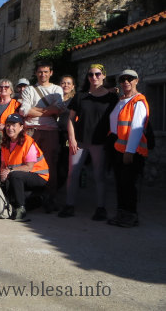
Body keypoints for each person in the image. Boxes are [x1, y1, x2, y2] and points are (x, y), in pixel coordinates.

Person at [59, 65, 118, 220]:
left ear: (104, 76)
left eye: (98, 74)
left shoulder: (112, 98)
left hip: (100, 142)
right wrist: (71, 138)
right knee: (73, 174)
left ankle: (101, 208)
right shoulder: (80, 96)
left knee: (99, 175)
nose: (94, 77)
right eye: (91, 75)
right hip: (79, 141)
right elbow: (71, 119)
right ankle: (69, 205)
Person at [106, 69, 149, 228]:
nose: (126, 82)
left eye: (130, 79)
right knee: (120, 183)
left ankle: (131, 215)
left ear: (136, 81)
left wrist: (129, 151)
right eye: (123, 79)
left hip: (131, 151)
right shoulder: (122, 99)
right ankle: (122, 213)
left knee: (128, 184)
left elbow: (137, 127)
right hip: (118, 147)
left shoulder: (138, 101)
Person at [20, 60, 64, 212]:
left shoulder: (56, 89)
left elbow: (58, 109)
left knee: (50, 165)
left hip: (50, 131)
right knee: (29, 163)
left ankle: (50, 197)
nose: (43, 74)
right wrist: (48, 110)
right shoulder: (29, 90)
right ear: (35, 73)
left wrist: (36, 110)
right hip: (31, 131)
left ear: (51, 73)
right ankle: (30, 196)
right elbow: (24, 111)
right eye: (40, 72)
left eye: (46, 72)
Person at [0, 113, 50, 222]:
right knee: (10, 191)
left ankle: (20, 209)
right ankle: (39, 200)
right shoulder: (5, 143)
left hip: (39, 176)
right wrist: (3, 174)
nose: (10, 128)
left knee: (15, 176)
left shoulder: (28, 141)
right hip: (19, 177)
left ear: (21, 127)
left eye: (14, 125)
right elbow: (3, 164)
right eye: (8, 125)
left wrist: (10, 171)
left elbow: (29, 167)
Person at [56, 75, 76, 192]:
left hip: (66, 135)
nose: (66, 85)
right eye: (63, 83)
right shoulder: (56, 99)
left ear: (73, 86)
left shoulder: (74, 100)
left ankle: (60, 188)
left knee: (64, 164)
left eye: (69, 83)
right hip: (54, 133)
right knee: (55, 162)